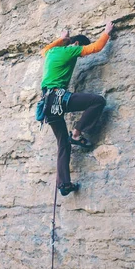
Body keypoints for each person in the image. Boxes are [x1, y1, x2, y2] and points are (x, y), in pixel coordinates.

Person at [40, 21, 114, 196]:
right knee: (97, 101)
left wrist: (60, 39)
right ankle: (77, 133)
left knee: (62, 144)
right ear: (77, 44)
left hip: (47, 104)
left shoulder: (51, 52)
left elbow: (42, 50)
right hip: (58, 97)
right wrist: (107, 32)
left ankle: (65, 184)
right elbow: (95, 48)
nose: (81, 56)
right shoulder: (71, 50)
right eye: (81, 51)